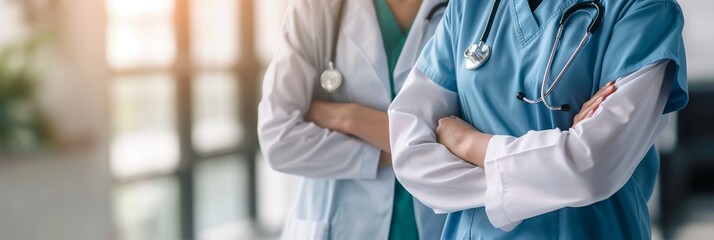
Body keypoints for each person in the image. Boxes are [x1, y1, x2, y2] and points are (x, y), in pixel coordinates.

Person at [388, 0, 688, 239]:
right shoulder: (469, 7)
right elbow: (410, 151)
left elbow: (590, 167)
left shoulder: (644, 11)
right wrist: (541, 175)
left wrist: (469, 144)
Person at [258, 0, 452, 239]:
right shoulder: (316, 7)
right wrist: (417, 149)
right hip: (336, 224)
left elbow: (486, 145)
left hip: (436, 223)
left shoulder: (471, 10)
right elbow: (278, 140)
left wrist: (349, 117)